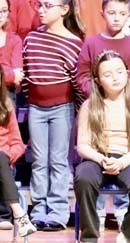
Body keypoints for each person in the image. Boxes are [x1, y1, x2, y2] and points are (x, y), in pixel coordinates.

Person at [76, 0, 130, 232]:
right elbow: (83, 74)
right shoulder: (92, 43)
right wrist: (99, 95)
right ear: (102, 13)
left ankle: (127, 224)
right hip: (98, 149)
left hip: (125, 151)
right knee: (85, 176)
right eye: (112, 13)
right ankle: (92, 228)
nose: (116, 17)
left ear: (128, 15)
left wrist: (125, 93)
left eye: (122, 13)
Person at [74, 50, 130, 243]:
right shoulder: (90, 106)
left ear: (127, 74)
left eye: (119, 72)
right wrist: (101, 160)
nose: (115, 78)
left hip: (127, 159)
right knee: (83, 178)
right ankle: (90, 234)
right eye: (107, 75)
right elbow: (82, 145)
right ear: (98, 80)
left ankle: (129, 231)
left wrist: (122, 162)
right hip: (97, 158)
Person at [22, 0, 83, 231]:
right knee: (39, 160)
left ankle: (57, 212)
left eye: (48, 5)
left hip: (62, 108)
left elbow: (76, 82)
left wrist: (76, 110)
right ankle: (38, 210)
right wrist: (32, 100)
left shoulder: (73, 42)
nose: (41, 10)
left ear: (64, 10)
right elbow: (27, 75)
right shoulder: (31, 39)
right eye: (40, 5)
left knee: (58, 160)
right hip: (36, 108)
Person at [0, 67, 34, 237]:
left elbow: (18, 144)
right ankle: (19, 214)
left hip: (3, 163)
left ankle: (13, 214)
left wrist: (7, 156)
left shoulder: (6, 107)